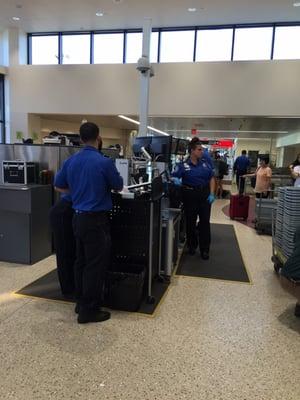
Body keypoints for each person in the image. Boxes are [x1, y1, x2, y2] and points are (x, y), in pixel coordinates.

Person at [54, 122, 123, 324]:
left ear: (80, 137)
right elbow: (118, 186)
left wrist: (77, 193)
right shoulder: (104, 162)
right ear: (98, 137)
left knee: (81, 262)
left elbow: (59, 186)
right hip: (95, 220)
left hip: (77, 217)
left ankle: (80, 302)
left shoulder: (71, 161)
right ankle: (89, 310)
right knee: (95, 265)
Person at [172, 137, 215, 259]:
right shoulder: (182, 165)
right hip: (189, 195)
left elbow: (211, 178)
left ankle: (205, 249)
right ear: (192, 151)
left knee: (205, 222)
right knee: (190, 222)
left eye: (202, 149)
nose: (202, 152)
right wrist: (175, 179)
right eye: (199, 150)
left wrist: (212, 193)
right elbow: (173, 176)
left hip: (204, 195)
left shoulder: (206, 164)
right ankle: (192, 245)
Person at [49, 194, 76, 297]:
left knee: (71, 250)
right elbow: (58, 185)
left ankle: (72, 285)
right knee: (64, 251)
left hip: (69, 210)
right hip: (62, 212)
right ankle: (68, 289)